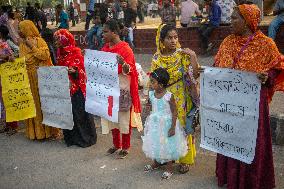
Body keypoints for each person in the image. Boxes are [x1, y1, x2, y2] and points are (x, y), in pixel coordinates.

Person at [214, 4, 284, 189]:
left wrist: (266, 76)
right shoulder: (227, 42)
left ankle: (251, 179)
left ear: (247, 21)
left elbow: (278, 67)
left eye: (235, 18)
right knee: (230, 138)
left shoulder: (265, 44)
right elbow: (216, 68)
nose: (231, 21)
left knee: (250, 141)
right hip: (229, 103)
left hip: (252, 105)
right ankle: (231, 177)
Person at [150, 24, 199, 174]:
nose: (173, 40)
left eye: (175, 37)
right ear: (161, 40)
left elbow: (195, 76)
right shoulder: (157, 58)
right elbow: (153, 80)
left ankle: (184, 159)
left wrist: (193, 57)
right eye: (169, 38)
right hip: (163, 99)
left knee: (182, 127)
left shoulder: (183, 55)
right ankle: (164, 157)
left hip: (181, 98)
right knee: (164, 127)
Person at [101, 19, 142, 159]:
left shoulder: (125, 49)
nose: (103, 34)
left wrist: (123, 63)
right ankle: (116, 144)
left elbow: (130, 69)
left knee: (123, 117)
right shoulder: (105, 48)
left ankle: (126, 147)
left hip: (123, 88)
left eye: (105, 32)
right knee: (111, 117)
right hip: (109, 89)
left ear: (114, 32)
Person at [54, 29, 97, 148]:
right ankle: (72, 138)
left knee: (79, 114)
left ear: (65, 39)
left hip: (77, 89)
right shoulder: (60, 53)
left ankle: (85, 138)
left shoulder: (76, 52)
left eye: (58, 39)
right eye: (55, 39)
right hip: (65, 89)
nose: (56, 42)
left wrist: (75, 71)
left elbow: (83, 70)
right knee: (69, 113)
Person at [142, 68, 188, 179]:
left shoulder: (169, 96)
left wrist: (172, 127)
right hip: (155, 124)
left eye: (153, 82)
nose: (151, 84)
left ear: (161, 85)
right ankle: (156, 162)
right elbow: (152, 107)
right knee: (155, 142)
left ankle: (169, 168)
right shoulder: (152, 94)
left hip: (166, 125)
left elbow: (174, 111)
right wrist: (147, 111)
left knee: (167, 145)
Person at [18, 20, 60, 140]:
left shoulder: (39, 41)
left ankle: (49, 131)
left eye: (21, 29)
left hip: (40, 77)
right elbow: (23, 60)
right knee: (33, 104)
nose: (19, 32)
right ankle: (37, 133)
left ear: (27, 29)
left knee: (44, 103)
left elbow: (45, 56)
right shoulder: (21, 44)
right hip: (28, 79)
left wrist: (32, 47)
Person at [0, 25, 19, 136]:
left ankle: (13, 126)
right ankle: (6, 125)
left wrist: (4, 58)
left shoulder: (4, 45)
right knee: (2, 102)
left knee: (8, 100)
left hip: (5, 76)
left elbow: (13, 58)